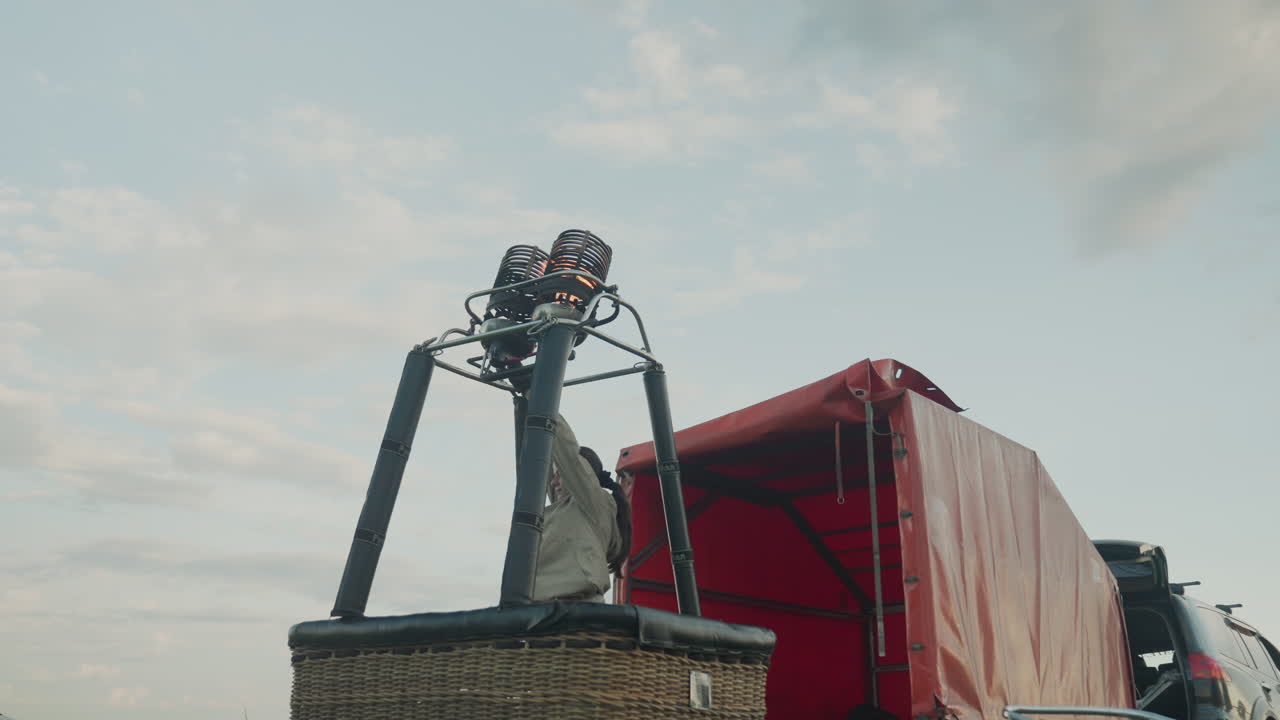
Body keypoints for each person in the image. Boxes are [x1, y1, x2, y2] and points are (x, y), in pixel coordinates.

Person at [532, 412, 632, 603]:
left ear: (581, 475)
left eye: (560, 475)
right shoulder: (564, 508)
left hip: (574, 607)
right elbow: (535, 463)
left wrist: (538, 396)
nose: (553, 483)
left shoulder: (594, 503)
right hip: (544, 607)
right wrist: (525, 407)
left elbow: (566, 451)